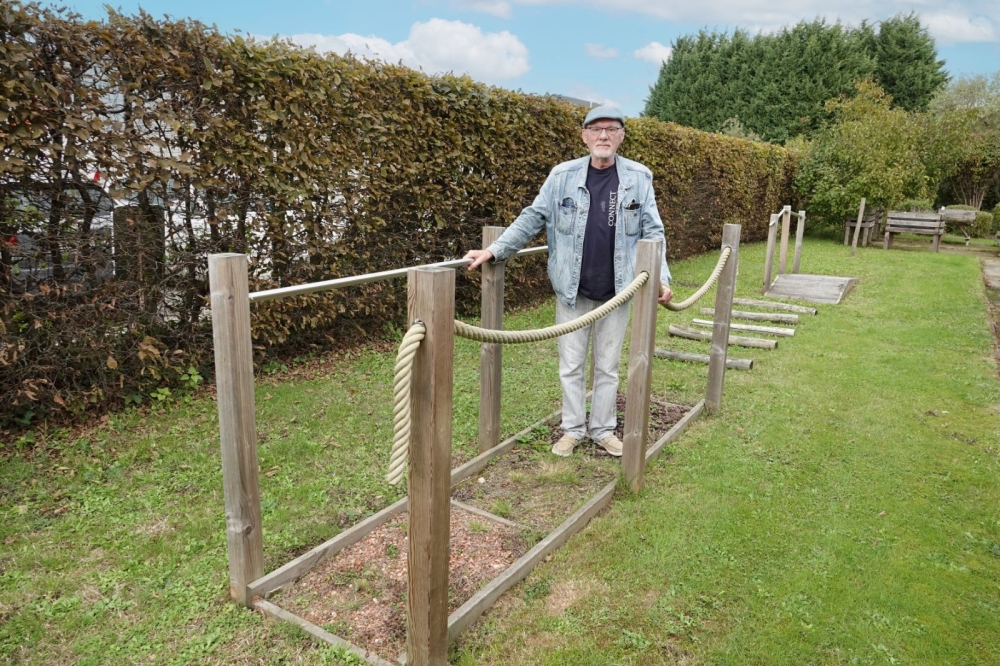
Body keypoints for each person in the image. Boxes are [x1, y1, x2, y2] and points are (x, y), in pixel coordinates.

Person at [464, 104, 673, 458]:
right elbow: (533, 217)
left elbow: (653, 231)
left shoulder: (640, 177)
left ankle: (604, 430)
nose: (603, 136)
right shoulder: (562, 175)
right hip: (572, 291)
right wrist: (496, 250)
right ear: (584, 136)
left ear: (621, 136)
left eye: (611, 129)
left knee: (607, 367)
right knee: (571, 365)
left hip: (619, 291)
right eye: (596, 129)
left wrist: (661, 279)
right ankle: (573, 429)